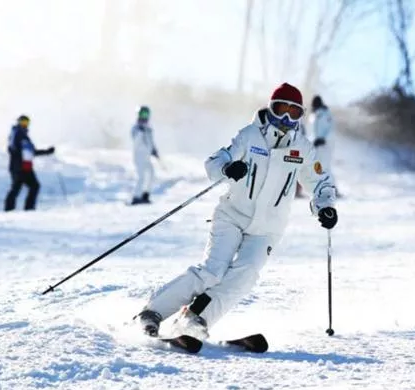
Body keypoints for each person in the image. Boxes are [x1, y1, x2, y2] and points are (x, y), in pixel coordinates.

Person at [134, 83, 338, 338]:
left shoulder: (302, 148)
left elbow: (321, 183)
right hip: (232, 216)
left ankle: (195, 319)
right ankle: (152, 312)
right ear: (271, 108)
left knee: (245, 276)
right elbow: (215, 162)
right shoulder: (250, 136)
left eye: (293, 112)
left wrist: (325, 207)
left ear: (300, 115)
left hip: (267, 228)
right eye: (281, 109)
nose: (286, 118)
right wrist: (228, 170)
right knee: (212, 271)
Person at [4, 115, 55, 211]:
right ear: (18, 122)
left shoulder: (24, 136)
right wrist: (17, 157)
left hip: (26, 167)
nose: (24, 125)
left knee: (34, 186)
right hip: (18, 168)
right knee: (17, 188)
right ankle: (10, 209)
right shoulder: (16, 133)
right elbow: (12, 148)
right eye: (22, 122)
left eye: (26, 123)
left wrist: (47, 152)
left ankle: (28, 208)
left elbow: (31, 152)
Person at [130, 105, 159, 205]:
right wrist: (140, 132)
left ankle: (145, 194)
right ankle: (136, 197)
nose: (144, 116)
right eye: (142, 114)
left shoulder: (148, 129)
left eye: (146, 114)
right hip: (139, 157)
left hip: (147, 157)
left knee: (151, 174)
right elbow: (136, 141)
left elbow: (150, 142)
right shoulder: (136, 128)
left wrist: (154, 151)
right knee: (141, 176)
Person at [309, 95, 337, 192]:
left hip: (325, 145)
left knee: (325, 167)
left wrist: (324, 139)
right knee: (317, 166)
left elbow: (331, 129)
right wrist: (313, 141)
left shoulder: (326, 114)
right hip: (316, 145)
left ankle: (333, 188)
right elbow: (312, 131)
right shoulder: (313, 115)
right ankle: (320, 187)